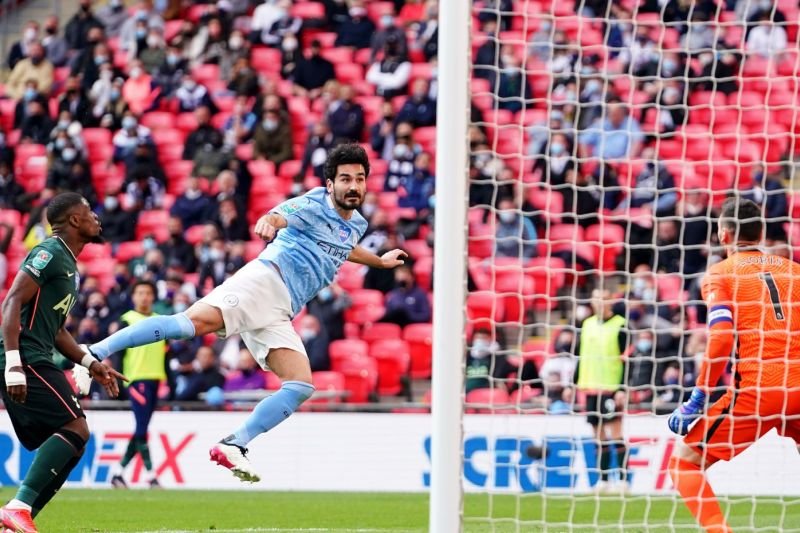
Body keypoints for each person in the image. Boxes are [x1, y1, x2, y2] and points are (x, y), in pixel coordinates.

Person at [87, 144, 406, 483]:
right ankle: (97, 350)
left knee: (299, 385)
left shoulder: (356, 223)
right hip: (264, 282)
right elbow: (277, 216)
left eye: (359, 179)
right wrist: (269, 221)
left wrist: (380, 261)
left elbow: (345, 247)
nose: (353, 186)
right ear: (330, 184)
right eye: (345, 179)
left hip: (281, 309)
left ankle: (234, 444)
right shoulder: (313, 204)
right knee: (188, 325)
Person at [667, 198, 800, 533]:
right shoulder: (795, 271)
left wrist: (698, 398)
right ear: (761, 233)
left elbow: (722, 339)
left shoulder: (719, 275)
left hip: (759, 390)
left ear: (723, 235)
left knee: (685, 461)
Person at [0, 193, 125, 532]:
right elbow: (11, 301)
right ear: (73, 220)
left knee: (75, 444)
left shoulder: (69, 264)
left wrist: (90, 361)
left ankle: (15, 520)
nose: (96, 217)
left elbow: (55, 329)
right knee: (76, 428)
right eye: (89, 212)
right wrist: (13, 362)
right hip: (24, 354)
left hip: (37, 352)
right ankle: (17, 508)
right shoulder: (49, 252)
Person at [109, 280, 165, 490]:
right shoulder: (127, 320)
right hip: (136, 380)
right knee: (142, 428)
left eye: (148, 293)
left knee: (141, 429)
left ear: (153, 297)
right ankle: (151, 476)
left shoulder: (161, 321)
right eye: (140, 293)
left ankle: (118, 474)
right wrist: (119, 379)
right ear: (134, 297)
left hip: (155, 378)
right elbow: (118, 353)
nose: (144, 297)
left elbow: (165, 354)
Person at [574, 288, 630, 493]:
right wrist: (574, 382)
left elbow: (627, 359)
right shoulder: (586, 324)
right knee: (598, 435)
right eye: (595, 298)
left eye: (603, 298)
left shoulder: (620, 325)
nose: (598, 302)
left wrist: (622, 388)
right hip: (589, 387)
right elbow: (582, 355)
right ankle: (604, 480)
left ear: (610, 302)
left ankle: (623, 480)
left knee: (615, 433)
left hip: (611, 387)